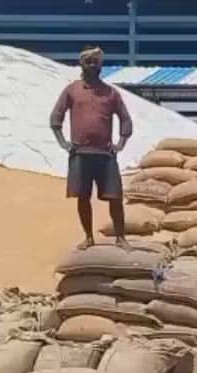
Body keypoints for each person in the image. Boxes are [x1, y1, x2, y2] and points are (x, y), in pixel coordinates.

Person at [50, 46, 134, 250]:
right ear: (81, 63)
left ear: (101, 65)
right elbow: (55, 119)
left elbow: (125, 119)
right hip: (80, 154)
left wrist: (120, 144)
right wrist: (64, 143)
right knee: (83, 197)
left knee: (115, 197)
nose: (92, 64)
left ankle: (120, 237)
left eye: (96, 61)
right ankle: (88, 237)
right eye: (88, 61)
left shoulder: (111, 93)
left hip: (105, 154)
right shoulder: (72, 90)